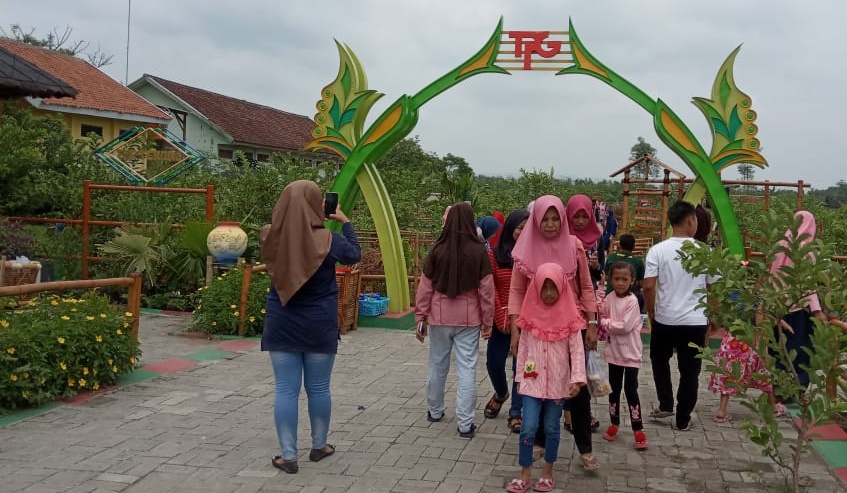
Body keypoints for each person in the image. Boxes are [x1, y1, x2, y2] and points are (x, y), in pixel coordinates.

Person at [260, 180, 361, 474]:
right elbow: (354, 255)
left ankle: (288, 456)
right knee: (318, 388)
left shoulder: (268, 236)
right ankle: (319, 446)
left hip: (281, 323)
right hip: (319, 324)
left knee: (285, 391)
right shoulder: (330, 240)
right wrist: (345, 221)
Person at [508, 195, 600, 470]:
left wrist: (592, 323)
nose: (549, 225)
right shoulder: (525, 249)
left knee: (578, 389)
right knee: (536, 381)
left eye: (555, 219)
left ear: (562, 219)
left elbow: (586, 286)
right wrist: (515, 328)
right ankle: (538, 442)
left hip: (571, 326)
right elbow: (517, 290)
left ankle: (585, 447)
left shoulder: (574, 246)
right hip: (535, 329)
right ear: (535, 220)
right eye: (544, 219)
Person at [416, 202, 495, 439]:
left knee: (437, 365)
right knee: (467, 368)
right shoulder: (479, 251)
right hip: (469, 320)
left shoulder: (437, 249)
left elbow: (425, 287)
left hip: (439, 318)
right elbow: (487, 290)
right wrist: (488, 321)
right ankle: (465, 423)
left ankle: (435, 410)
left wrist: (421, 316)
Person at [505, 263, 586, 493]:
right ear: (536, 288)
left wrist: (577, 379)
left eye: (554, 288)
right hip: (532, 383)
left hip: (559, 385)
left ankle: (548, 472)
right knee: (528, 427)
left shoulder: (570, 319)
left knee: (551, 427)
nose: (549, 293)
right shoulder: (529, 317)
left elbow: (577, 351)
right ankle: (525, 473)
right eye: (544, 288)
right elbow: (523, 350)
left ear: (562, 288)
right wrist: (520, 378)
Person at [642, 201, 716, 431]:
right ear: (691, 221)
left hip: (665, 319)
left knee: (659, 360)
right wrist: (712, 320)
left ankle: (666, 403)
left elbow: (648, 286)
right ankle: (683, 418)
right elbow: (715, 291)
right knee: (690, 372)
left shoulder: (657, 250)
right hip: (695, 322)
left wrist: (652, 312)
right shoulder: (706, 252)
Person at [770, 211, 827, 390]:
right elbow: (808, 285)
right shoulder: (805, 250)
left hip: (776, 306)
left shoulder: (779, 244)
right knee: (800, 351)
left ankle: (778, 388)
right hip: (797, 308)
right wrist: (817, 311)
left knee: (779, 348)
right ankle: (795, 389)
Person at [484, 209, 530, 430]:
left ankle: (516, 412)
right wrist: (501, 314)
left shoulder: (533, 255)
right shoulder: (494, 253)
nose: (523, 232)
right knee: (493, 363)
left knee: (520, 367)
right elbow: (490, 286)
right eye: (519, 227)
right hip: (500, 318)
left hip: (526, 320)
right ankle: (501, 393)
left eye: (527, 228)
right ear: (510, 228)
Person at [564, 194, 603, 434]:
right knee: (567, 365)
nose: (579, 221)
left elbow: (594, 283)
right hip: (563, 310)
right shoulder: (561, 240)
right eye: (575, 216)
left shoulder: (597, 239)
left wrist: (596, 267)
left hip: (585, 308)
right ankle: (569, 415)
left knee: (580, 365)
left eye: (584, 216)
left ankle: (578, 413)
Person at [600, 262, 648, 450]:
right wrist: (607, 320)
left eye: (624, 279)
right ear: (611, 279)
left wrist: (606, 323)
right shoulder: (609, 298)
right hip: (614, 354)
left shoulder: (633, 301)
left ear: (632, 281)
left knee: (631, 390)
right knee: (614, 389)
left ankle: (638, 428)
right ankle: (614, 422)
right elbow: (600, 311)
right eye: (617, 279)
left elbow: (625, 326)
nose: (620, 283)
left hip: (630, 354)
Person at [604, 234, 646, 311]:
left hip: (611, 294)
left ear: (619, 245)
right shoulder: (639, 262)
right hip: (631, 296)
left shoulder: (611, 257)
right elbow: (641, 283)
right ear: (634, 247)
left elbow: (606, 277)